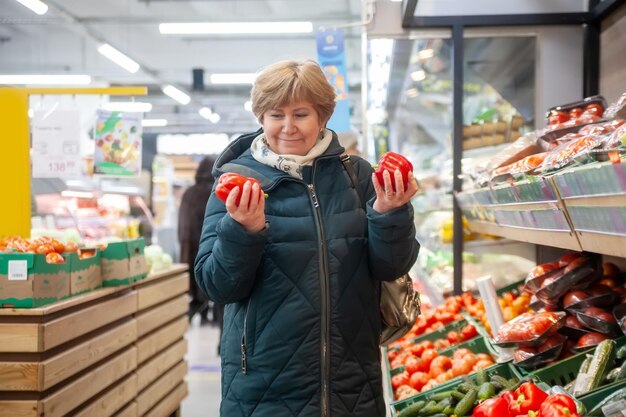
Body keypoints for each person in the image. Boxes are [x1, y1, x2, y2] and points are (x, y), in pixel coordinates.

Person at [194, 60, 420, 417]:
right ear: (260, 118)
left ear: (323, 116)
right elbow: (217, 286)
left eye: (300, 114)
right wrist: (243, 231)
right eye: (275, 115)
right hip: (263, 387)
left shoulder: (357, 176)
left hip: (351, 381)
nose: (288, 127)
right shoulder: (235, 183)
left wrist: (389, 213)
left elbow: (391, 265)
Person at [178, 155, 223, 331]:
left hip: (189, 248)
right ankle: (217, 329)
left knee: (198, 293)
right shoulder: (216, 190)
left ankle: (193, 319)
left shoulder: (189, 193)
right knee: (217, 294)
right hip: (210, 247)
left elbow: (181, 225)